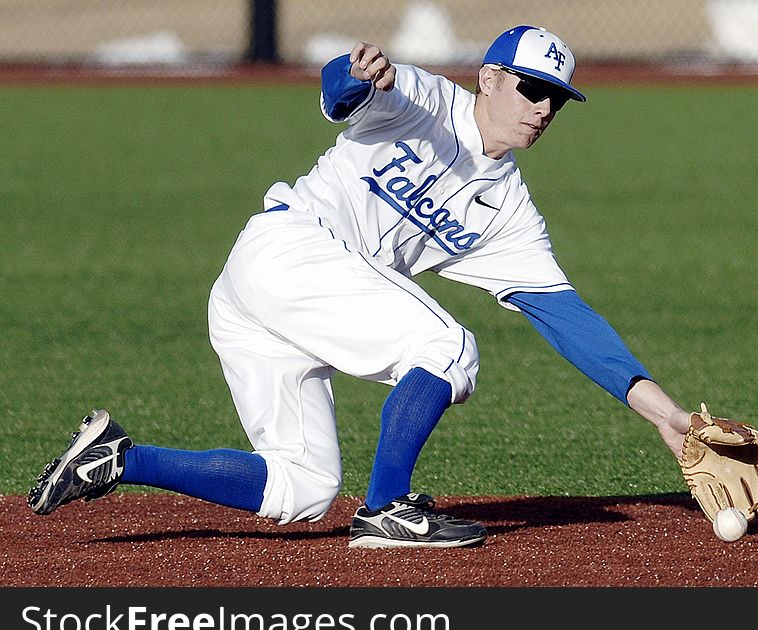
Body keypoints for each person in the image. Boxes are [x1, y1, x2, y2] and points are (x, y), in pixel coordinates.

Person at [28, 25, 692, 548]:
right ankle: (387, 511)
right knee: (449, 349)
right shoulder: (429, 101)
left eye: (556, 99)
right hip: (286, 249)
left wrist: (670, 416)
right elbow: (340, 93)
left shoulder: (509, 214)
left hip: (272, 299)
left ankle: (120, 457)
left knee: (303, 487)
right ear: (489, 79)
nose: (544, 108)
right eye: (531, 88)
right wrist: (356, 71)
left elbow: (568, 319)